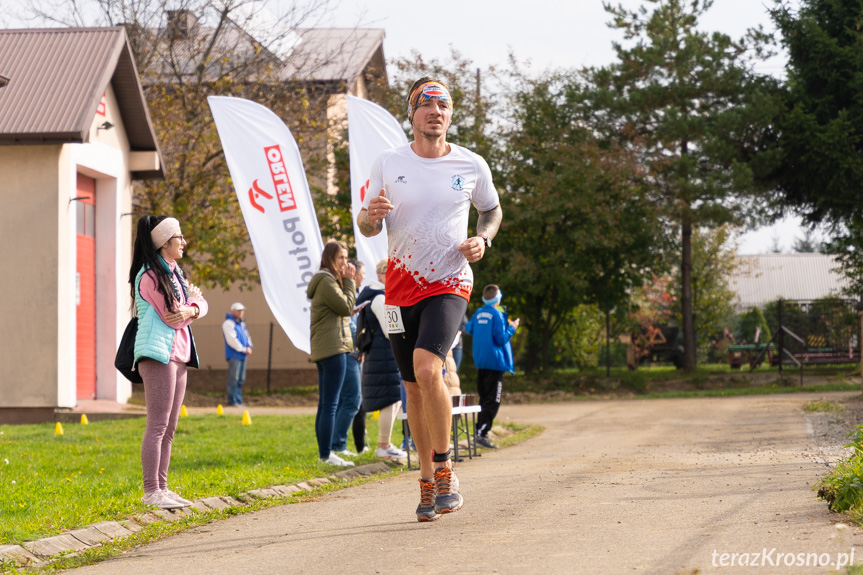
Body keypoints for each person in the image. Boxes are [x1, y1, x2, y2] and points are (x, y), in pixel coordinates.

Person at [357, 76, 502, 521]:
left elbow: (491, 211)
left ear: (450, 115)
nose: (435, 112)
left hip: (449, 282)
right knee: (412, 389)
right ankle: (425, 480)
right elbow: (364, 223)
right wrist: (371, 216)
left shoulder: (471, 164)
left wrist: (484, 239)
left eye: (443, 105)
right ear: (412, 113)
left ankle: (445, 468)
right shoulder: (388, 162)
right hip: (401, 287)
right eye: (426, 105)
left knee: (427, 366)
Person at [129, 215, 208, 509]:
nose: (184, 242)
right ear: (164, 242)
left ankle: (163, 487)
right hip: (158, 355)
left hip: (178, 355)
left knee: (171, 427)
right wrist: (192, 308)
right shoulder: (149, 276)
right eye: (180, 237)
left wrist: (193, 308)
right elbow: (172, 316)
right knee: (158, 425)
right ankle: (151, 491)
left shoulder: (176, 274)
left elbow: (197, 305)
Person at [307, 240, 357, 467]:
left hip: (326, 348)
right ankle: (327, 454)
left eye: (346, 258)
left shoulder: (325, 280)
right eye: (341, 258)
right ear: (329, 258)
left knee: (326, 403)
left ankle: (324, 454)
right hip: (333, 348)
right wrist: (349, 281)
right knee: (330, 404)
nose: (345, 263)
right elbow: (346, 307)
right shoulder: (327, 281)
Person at [357, 259, 408, 459]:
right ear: (382, 275)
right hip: (384, 355)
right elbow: (390, 330)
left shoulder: (376, 295)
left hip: (382, 355)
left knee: (394, 399)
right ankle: (383, 445)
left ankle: (384, 444)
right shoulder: (380, 298)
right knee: (391, 399)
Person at [464, 284, 519, 449]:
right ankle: (481, 433)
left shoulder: (479, 312)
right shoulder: (497, 314)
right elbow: (501, 338)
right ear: (498, 298)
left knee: (484, 398)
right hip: (495, 363)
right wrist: (512, 327)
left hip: (481, 361)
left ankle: (479, 431)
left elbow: (469, 328)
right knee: (493, 400)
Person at [332, 259, 364, 457]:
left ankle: (336, 444)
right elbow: (349, 324)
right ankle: (338, 444)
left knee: (345, 400)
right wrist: (359, 343)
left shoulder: (351, 294)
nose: (363, 277)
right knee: (352, 400)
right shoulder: (345, 293)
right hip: (348, 352)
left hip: (349, 352)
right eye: (362, 273)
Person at [222, 302, 252, 407]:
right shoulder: (228, 323)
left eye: (242, 310)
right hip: (234, 355)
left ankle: (238, 400)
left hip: (243, 355)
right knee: (233, 378)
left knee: (240, 379)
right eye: (239, 310)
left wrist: (249, 346)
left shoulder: (241, 324)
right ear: (233, 311)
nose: (241, 312)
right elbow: (232, 340)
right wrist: (243, 349)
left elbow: (247, 336)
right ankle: (232, 401)